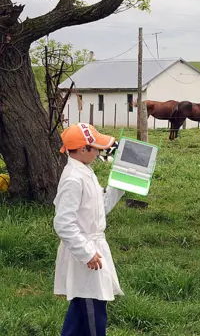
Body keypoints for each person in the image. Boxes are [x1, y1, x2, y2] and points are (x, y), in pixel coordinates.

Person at [53, 123, 125, 336]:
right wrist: (86, 253)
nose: (99, 152)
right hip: (86, 253)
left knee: (82, 310)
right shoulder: (74, 179)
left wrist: (119, 186)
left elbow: (98, 209)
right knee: (93, 311)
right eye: (96, 148)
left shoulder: (85, 172)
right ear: (83, 149)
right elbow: (63, 223)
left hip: (93, 247)